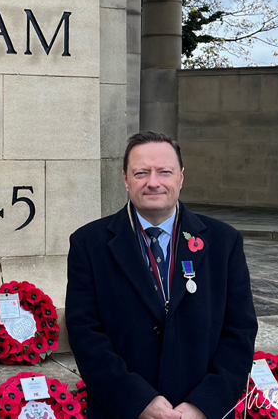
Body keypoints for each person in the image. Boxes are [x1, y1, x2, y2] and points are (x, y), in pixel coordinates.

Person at [65, 131, 257, 419]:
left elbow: (239, 332)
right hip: (122, 411)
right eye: (141, 172)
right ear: (125, 179)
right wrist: (138, 401)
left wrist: (203, 405)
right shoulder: (89, 244)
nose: (153, 182)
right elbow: (85, 333)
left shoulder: (224, 242)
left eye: (164, 172)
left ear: (180, 177)